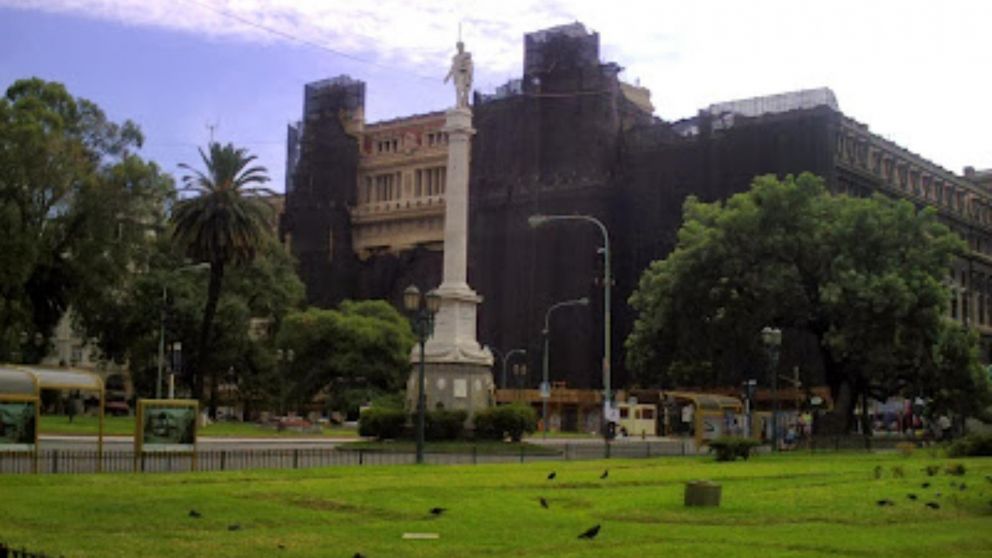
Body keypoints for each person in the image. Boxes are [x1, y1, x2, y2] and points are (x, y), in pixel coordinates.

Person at [444, 41, 473, 108]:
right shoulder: (455, 58)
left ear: (463, 47)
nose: (460, 48)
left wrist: (469, 76)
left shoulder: (467, 55)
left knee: (465, 91)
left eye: (461, 46)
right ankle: (458, 104)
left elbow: (469, 66)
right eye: (458, 47)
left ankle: (464, 104)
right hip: (459, 75)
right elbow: (453, 68)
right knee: (458, 89)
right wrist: (447, 77)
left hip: (465, 75)